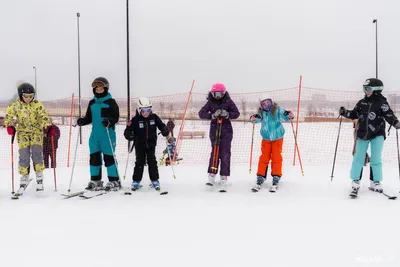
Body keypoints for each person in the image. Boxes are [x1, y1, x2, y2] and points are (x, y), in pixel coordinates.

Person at [339, 78, 400, 196]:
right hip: (363, 134)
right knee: (358, 158)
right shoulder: (362, 102)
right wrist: (345, 112)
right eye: (364, 88)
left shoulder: (382, 103)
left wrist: (395, 122)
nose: (365, 91)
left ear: (376, 90)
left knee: (376, 159)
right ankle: (355, 181)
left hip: (377, 134)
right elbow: (354, 114)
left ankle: (375, 182)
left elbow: (388, 115)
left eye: (367, 89)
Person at [5, 83, 54, 193]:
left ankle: (39, 176)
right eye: (26, 96)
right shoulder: (16, 105)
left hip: (36, 132)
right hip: (23, 133)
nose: (28, 99)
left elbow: (43, 116)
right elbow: (8, 115)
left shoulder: (37, 105)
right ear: (20, 95)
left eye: (31, 96)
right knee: (24, 155)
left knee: (37, 154)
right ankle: (24, 177)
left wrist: (48, 126)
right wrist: (10, 125)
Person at [77, 77, 120, 192]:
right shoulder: (92, 103)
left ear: (106, 88)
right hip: (95, 136)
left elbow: (115, 117)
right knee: (94, 158)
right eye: (97, 88)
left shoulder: (111, 102)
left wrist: (109, 121)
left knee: (109, 158)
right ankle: (96, 180)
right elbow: (89, 118)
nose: (99, 90)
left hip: (107, 135)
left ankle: (114, 180)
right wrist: (82, 121)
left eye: (101, 88)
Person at [198, 83, 240, 192]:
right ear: (212, 93)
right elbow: (201, 113)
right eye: (215, 94)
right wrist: (212, 115)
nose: (218, 96)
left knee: (225, 153)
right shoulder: (210, 102)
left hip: (226, 130)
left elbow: (236, 113)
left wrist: (227, 114)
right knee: (215, 151)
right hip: (214, 128)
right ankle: (212, 174)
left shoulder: (228, 101)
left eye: (220, 94)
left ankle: (223, 177)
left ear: (224, 93)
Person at [124, 97, 170, 191]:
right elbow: (127, 131)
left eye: (148, 110)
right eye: (144, 110)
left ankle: (155, 180)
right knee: (139, 162)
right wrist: (129, 135)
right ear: (139, 109)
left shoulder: (154, 117)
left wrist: (165, 130)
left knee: (152, 161)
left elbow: (162, 126)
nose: (146, 113)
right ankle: (136, 181)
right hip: (139, 145)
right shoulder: (135, 120)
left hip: (151, 144)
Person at [249, 98, 294, 192]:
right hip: (266, 138)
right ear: (261, 105)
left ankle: (276, 177)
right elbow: (257, 118)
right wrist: (253, 118)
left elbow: (284, 114)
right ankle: (260, 177)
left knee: (276, 157)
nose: (266, 105)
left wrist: (289, 115)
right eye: (264, 103)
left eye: (268, 102)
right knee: (264, 157)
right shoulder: (261, 112)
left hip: (278, 137)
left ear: (271, 102)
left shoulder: (277, 109)